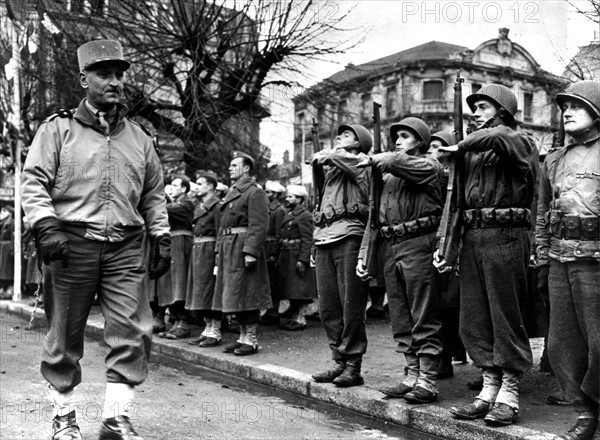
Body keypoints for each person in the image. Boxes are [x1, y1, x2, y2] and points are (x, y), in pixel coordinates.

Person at [21, 39, 170, 440]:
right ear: (83, 78)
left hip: (124, 246)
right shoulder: (58, 129)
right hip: (70, 245)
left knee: (133, 331)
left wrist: (161, 234)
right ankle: (64, 418)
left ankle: (114, 419)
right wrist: (45, 225)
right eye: (104, 74)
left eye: (120, 74)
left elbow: (154, 193)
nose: (115, 82)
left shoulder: (139, 138)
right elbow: (33, 181)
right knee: (64, 336)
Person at [436, 84, 538, 426]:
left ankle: (510, 392)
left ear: (503, 110)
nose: (475, 113)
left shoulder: (518, 141)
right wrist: (448, 246)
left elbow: (501, 139)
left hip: (506, 235)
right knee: (475, 317)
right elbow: (456, 204)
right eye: (474, 107)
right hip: (474, 237)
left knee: (505, 313)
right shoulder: (473, 152)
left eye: (482, 107)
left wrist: (460, 144)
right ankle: (488, 389)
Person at [356, 117, 444, 404]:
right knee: (400, 315)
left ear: (420, 141)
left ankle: (428, 380)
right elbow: (373, 217)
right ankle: (411, 374)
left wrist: (385, 158)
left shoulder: (428, 165)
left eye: (405, 136)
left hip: (419, 242)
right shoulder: (390, 173)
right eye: (397, 136)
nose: (398, 140)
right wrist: (365, 253)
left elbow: (400, 162)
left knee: (423, 312)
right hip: (392, 245)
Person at [535, 80, 599, 440]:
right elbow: (543, 212)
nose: (567, 112)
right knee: (562, 344)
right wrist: (544, 257)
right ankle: (584, 413)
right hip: (561, 260)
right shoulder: (554, 159)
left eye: (577, 105)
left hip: (596, 263)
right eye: (564, 107)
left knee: (599, 342)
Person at [309, 124, 371, 388]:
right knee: (328, 307)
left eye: (346, 136)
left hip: (350, 238)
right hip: (325, 240)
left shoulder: (361, 164)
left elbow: (355, 166)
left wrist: (328, 155)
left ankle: (353, 365)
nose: (338, 137)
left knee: (351, 305)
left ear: (359, 144)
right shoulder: (332, 171)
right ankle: (339, 360)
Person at [213, 151, 271, 355]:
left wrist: (251, 251)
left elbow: (259, 224)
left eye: (234, 165)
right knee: (233, 293)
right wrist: (218, 251)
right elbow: (222, 225)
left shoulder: (255, 192)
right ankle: (242, 337)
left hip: (242, 246)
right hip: (229, 247)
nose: (230, 168)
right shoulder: (233, 191)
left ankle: (252, 339)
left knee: (248, 293)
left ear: (246, 168)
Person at [427, 131, 466, 378]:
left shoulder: (457, 175)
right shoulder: (429, 174)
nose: (433, 151)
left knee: (451, 305)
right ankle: (445, 356)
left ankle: (449, 356)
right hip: (433, 242)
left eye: (440, 147)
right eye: (431, 147)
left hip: (455, 244)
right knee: (437, 305)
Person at [186, 171, 223, 347]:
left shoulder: (217, 207)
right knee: (201, 291)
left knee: (211, 291)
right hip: (199, 251)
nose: (197, 186)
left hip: (209, 251)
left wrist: (217, 255)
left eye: (200, 183)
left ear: (210, 187)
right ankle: (207, 329)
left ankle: (215, 331)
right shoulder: (200, 206)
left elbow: (220, 233)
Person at [157, 176, 195, 340]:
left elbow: (167, 208)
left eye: (175, 185)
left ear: (184, 189)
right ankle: (175, 322)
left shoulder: (187, 204)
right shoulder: (174, 203)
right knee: (171, 284)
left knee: (181, 284)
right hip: (172, 243)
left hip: (181, 244)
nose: (171, 187)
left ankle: (184, 324)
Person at [277, 184, 316, 331]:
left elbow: (307, 239)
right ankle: (295, 316)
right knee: (292, 289)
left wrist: (303, 260)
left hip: (296, 255)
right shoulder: (290, 214)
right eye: (287, 196)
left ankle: (301, 319)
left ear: (299, 199)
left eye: (290, 196)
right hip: (288, 255)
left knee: (300, 290)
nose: (287, 199)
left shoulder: (304, 215)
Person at [260, 180, 288, 326]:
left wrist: (274, 254)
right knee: (267, 282)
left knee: (274, 282)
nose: (266, 194)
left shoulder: (279, 210)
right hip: (265, 247)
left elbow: (279, 234)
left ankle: (273, 311)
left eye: (269, 192)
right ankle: (268, 311)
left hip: (272, 248)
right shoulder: (266, 208)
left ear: (276, 194)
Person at [0, 204, 15, 300]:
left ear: (9, 213)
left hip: (8, 249)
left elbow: (14, 239)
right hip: (2, 249)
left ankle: (9, 290)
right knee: (2, 271)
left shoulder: (13, 223)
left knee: (7, 271)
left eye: (4, 211)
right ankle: (3, 290)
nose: (1, 213)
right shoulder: (3, 223)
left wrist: (13, 251)